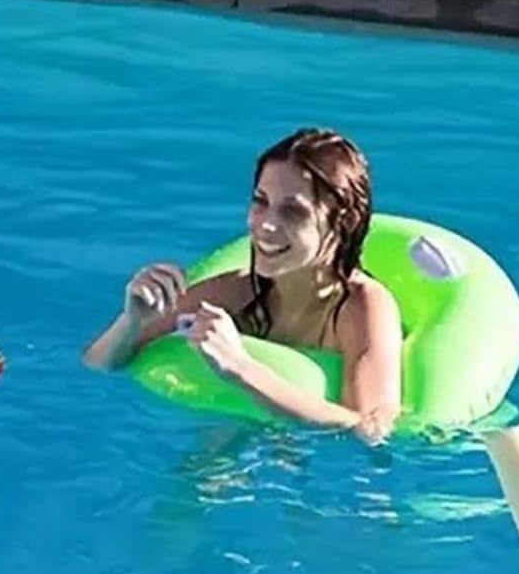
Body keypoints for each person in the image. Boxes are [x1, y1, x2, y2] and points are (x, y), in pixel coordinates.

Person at [82, 128, 403, 443]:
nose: (266, 225)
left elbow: (372, 429)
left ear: (344, 221)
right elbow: (97, 364)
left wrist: (240, 367)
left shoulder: (362, 306)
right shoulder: (236, 293)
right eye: (260, 201)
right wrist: (132, 321)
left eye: (293, 211)